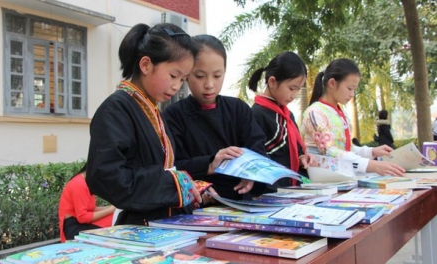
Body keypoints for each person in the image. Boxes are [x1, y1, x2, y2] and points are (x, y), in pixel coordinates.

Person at [85, 23, 202, 226]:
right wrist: (173, 185)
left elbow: (165, 169)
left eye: (183, 79)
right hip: (141, 226)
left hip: (167, 222)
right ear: (146, 65)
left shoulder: (153, 110)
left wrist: (190, 186)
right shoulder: (116, 108)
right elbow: (105, 176)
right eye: (174, 75)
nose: (177, 86)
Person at [163, 34, 267, 205]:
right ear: (187, 74)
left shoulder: (238, 109)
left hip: (242, 202)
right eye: (200, 76)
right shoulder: (174, 116)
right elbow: (173, 167)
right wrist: (208, 166)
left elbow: (258, 150)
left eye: (217, 76)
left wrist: (253, 175)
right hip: (198, 207)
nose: (209, 84)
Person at [301, 58, 405, 176]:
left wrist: (371, 151)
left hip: (342, 177)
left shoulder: (340, 112)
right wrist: (372, 165)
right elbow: (330, 152)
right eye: (349, 88)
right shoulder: (315, 113)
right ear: (332, 83)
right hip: (323, 180)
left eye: (354, 89)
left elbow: (346, 149)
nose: (352, 94)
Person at [248, 52, 317, 189]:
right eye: (292, 88)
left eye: (298, 90)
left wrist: (302, 157)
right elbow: (257, 160)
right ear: (272, 82)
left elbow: (295, 149)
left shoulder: (287, 115)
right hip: (272, 192)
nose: (294, 95)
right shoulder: (256, 115)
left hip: (293, 190)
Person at [58, 164, 116, 242]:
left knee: (115, 216)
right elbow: (82, 217)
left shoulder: (85, 182)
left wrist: (113, 208)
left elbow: (91, 209)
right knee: (114, 220)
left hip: (81, 224)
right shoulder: (79, 184)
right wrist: (110, 210)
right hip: (74, 229)